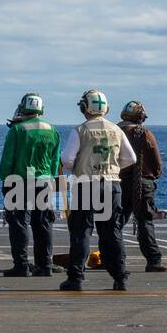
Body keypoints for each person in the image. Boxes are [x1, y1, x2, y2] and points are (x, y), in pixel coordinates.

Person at [59, 89, 135, 292]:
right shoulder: (116, 130)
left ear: (85, 107)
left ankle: (76, 278)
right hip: (112, 184)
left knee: (82, 231)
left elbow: (66, 159)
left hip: (86, 183)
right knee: (112, 232)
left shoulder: (80, 130)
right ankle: (120, 277)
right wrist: (112, 167)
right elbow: (131, 158)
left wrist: (77, 167)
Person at [0, 93, 61, 277]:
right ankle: (45, 265)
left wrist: (5, 178)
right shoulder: (53, 130)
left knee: (19, 223)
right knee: (43, 223)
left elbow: (7, 159)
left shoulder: (17, 130)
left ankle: (22, 265)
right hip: (44, 180)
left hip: (20, 181)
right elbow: (55, 160)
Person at [118, 99, 167, 273]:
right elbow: (156, 162)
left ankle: (115, 258)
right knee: (145, 222)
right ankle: (153, 260)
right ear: (140, 117)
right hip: (143, 183)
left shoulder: (115, 131)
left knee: (115, 222)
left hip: (118, 182)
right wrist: (154, 175)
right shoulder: (145, 134)